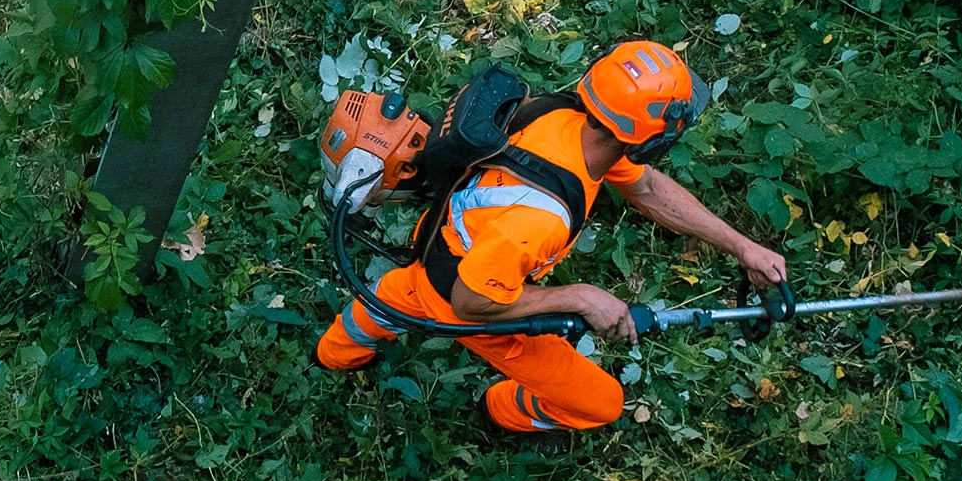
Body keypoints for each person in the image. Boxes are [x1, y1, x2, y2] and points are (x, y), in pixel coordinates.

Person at [316, 39, 787, 437]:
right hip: (467, 295)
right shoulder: (541, 219)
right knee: (602, 404)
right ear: (646, 138)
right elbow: (470, 303)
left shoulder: (565, 120)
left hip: (443, 243)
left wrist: (742, 246)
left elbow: (645, 187)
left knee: (395, 298)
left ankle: (335, 353)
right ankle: (500, 412)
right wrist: (581, 298)